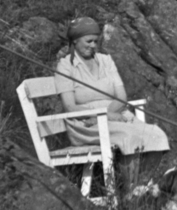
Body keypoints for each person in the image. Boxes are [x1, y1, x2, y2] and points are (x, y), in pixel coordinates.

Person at [54, 16, 169, 189]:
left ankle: (141, 186)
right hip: (85, 124)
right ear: (75, 41)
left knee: (156, 134)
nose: (93, 45)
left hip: (116, 115)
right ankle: (129, 192)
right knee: (130, 137)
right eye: (89, 41)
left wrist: (110, 116)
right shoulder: (65, 66)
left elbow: (121, 97)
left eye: (96, 41)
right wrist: (104, 116)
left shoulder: (105, 61)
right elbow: (70, 106)